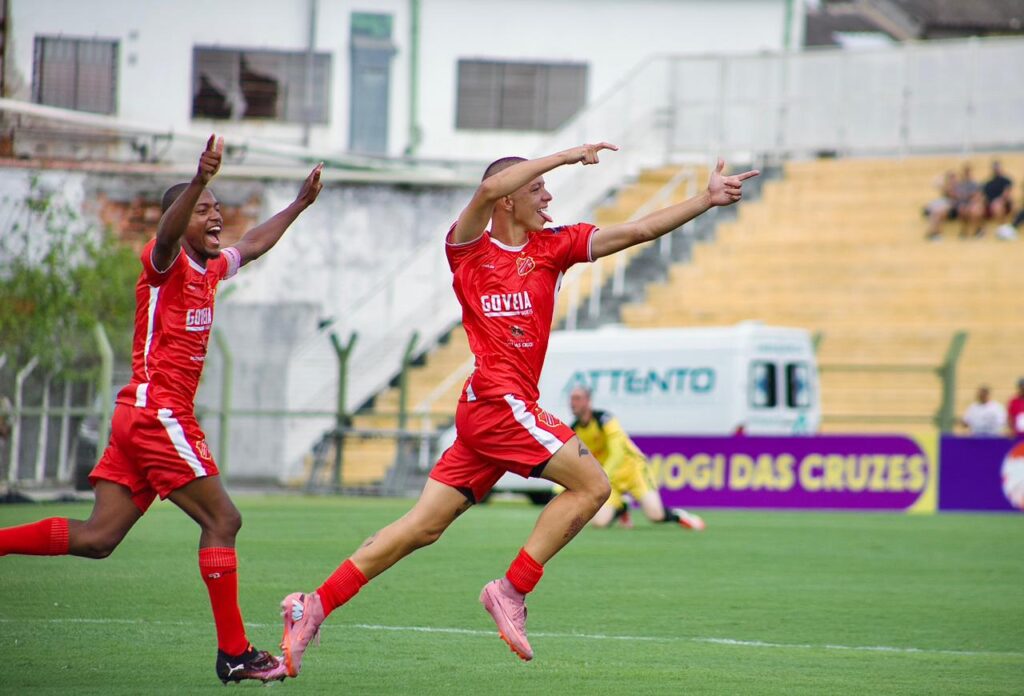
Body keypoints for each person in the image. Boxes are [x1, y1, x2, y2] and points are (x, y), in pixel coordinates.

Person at [276, 144, 757, 675]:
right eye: (535, 189)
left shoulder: (555, 247)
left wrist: (705, 200)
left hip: (493, 412)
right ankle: (510, 590)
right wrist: (567, 155)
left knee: (421, 527)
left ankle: (312, 605)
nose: (548, 195)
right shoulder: (467, 250)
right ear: (507, 200)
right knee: (595, 487)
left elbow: (637, 231)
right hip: (497, 405)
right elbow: (485, 190)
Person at [0, 136, 324, 684]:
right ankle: (235, 653)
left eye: (217, 207)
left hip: (141, 417)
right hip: (158, 415)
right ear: (181, 217)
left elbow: (254, 243)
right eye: (204, 209)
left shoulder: (212, 269)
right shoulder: (164, 264)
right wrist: (196, 180)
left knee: (100, 538)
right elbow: (168, 233)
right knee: (224, 519)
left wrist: (297, 205)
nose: (214, 215)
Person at [568, 386, 704, 531]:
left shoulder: (605, 420)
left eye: (577, 398)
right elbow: (574, 462)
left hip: (633, 469)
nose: (572, 403)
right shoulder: (574, 429)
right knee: (599, 523)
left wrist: (602, 475)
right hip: (611, 478)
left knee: (655, 515)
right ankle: (622, 508)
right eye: (571, 399)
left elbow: (618, 453)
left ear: (588, 401)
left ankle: (680, 516)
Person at [981, 161, 1015, 240]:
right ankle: (981, 231)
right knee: (977, 208)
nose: (996, 170)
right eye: (995, 168)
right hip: (990, 205)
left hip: (1003, 204)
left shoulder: (1006, 180)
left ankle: (1003, 229)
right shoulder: (988, 183)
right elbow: (984, 196)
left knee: (997, 206)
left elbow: (1007, 193)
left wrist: (999, 200)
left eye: (998, 168)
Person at [924, 170, 959, 241]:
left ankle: (936, 233)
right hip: (945, 206)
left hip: (954, 207)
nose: (951, 180)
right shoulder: (946, 188)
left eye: (952, 178)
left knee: (938, 213)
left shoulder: (958, 187)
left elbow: (954, 198)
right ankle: (934, 232)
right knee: (936, 212)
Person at [953, 164, 985, 239]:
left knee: (974, 210)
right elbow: (958, 196)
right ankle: (964, 231)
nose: (967, 174)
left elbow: (978, 196)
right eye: (965, 172)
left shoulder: (975, 184)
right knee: (962, 209)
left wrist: (970, 201)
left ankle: (978, 230)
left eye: (968, 172)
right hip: (964, 204)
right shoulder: (960, 184)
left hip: (973, 204)